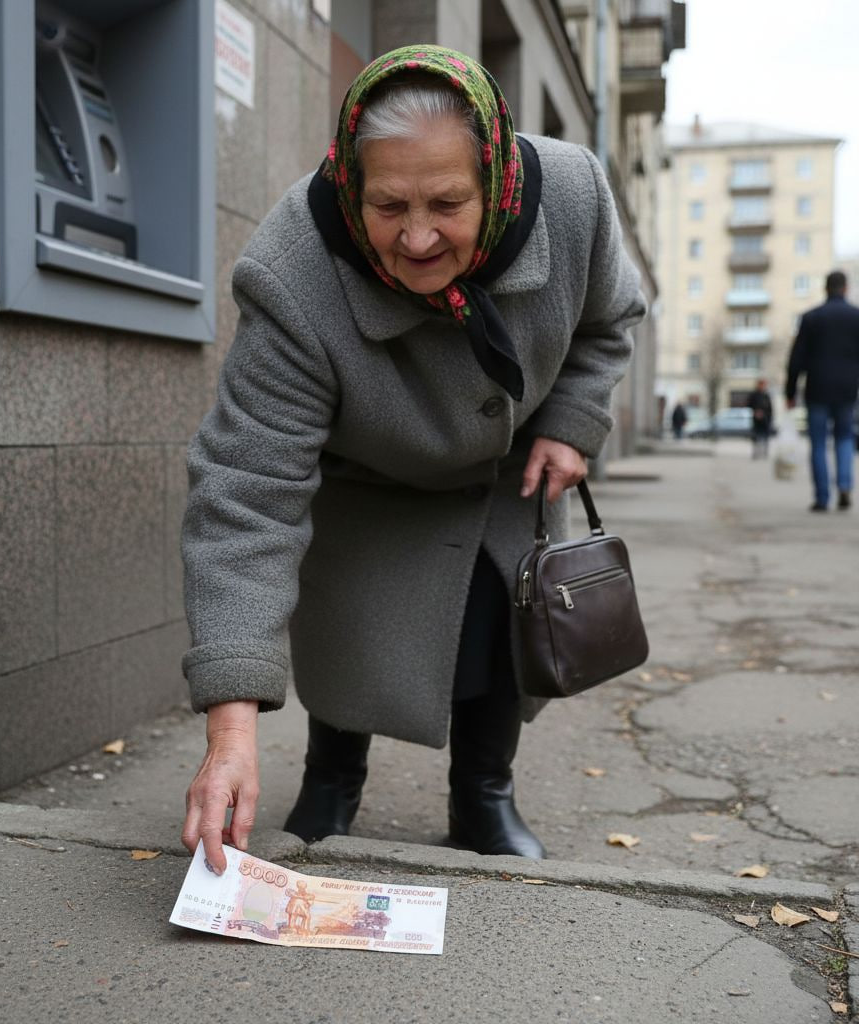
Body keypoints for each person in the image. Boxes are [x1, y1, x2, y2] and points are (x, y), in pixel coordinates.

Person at [179, 46, 645, 872]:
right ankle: (331, 781)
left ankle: (485, 798)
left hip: (508, 479)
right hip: (370, 486)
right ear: (352, 186)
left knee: (500, 631)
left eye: (447, 203)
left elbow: (610, 318)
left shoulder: (572, 194)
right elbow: (246, 489)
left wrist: (572, 423)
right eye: (388, 206)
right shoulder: (294, 268)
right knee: (355, 631)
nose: (418, 236)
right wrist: (231, 733)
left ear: (493, 174)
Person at [786, 270, 859, 511]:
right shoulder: (855, 317)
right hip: (847, 388)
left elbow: (796, 358)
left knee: (818, 443)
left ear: (825, 289)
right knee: (845, 438)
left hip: (817, 387)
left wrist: (790, 391)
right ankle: (845, 485)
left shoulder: (811, 318)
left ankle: (822, 497)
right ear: (845, 288)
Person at [745, 379, 773, 458]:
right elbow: (749, 404)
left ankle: (764, 452)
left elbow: (770, 408)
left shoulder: (766, 395)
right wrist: (755, 412)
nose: (762, 386)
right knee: (755, 436)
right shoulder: (753, 395)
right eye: (761, 384)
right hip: (756, 419)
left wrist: (768, 416)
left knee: (765, 437)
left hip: (765, 419)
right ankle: (756, 452)